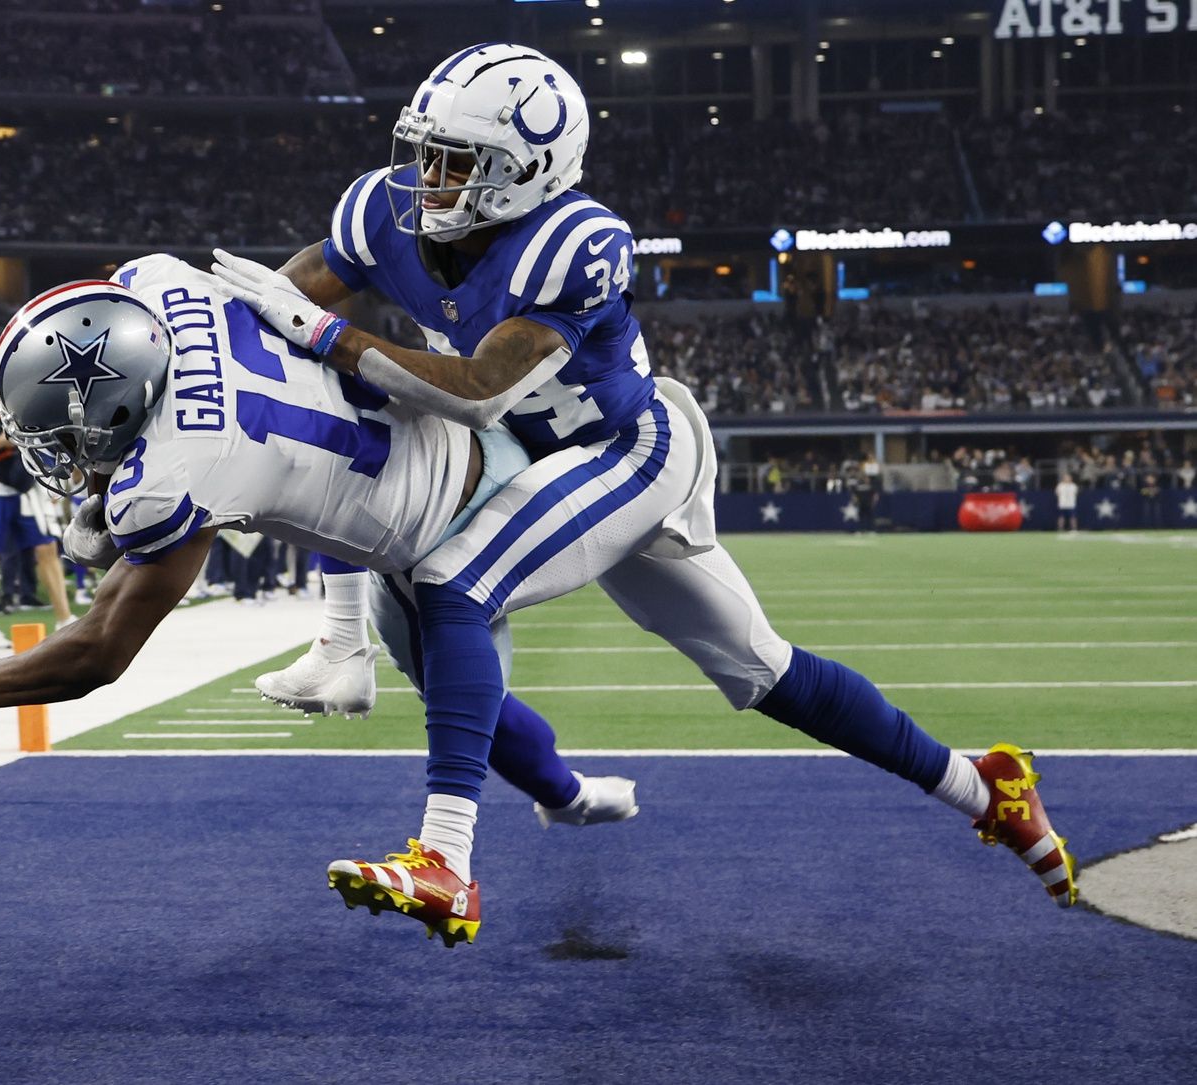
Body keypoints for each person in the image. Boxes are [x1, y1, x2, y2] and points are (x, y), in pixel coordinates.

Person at [208, 43, 1075, 940]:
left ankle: (446, 862)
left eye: (457, 160)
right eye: (426, 151)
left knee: (456, 584)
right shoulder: (381, 209)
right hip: (526, 454)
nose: (430, 177)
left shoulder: (577, 241)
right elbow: (274, 329)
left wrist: (327, 332)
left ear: (526, 171)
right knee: (760, 669)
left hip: (630, 449)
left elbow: (475, 387)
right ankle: (986, 786)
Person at [0, 271, 639, 945]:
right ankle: (567, 795)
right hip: (442, 452)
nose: (63, 452)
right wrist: (106, 500)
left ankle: (486, 794)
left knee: (459, 674)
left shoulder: (174, 475)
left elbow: (99, 653)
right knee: (472, 701)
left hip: (446, 519)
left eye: (66, 434)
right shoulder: (164, 285)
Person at [0, 349, 74, 651]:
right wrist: (0, 442)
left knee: (46, 548)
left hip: (27, 485)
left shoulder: (25, 399)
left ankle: (64, 618)